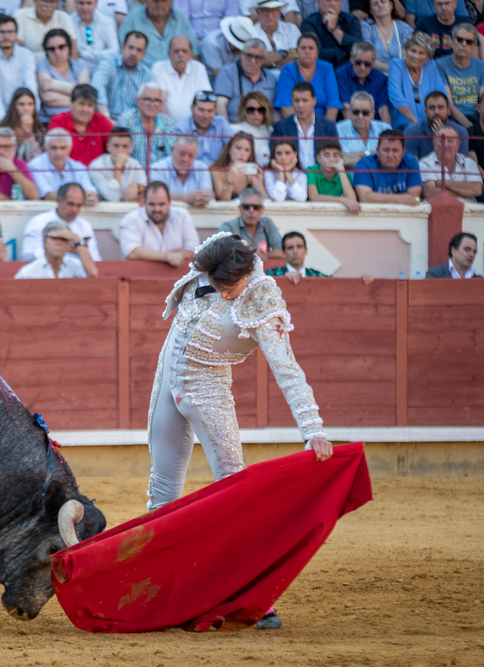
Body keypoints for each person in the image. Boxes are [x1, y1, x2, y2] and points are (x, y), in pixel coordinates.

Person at [145, 233, 332, 643]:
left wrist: (312, 427)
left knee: (233, 490)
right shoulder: (213, 261)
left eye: (227, 286)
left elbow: (287, 369)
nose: (219, 289)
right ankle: (153, 586)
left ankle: (254, 600)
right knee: (161, 490)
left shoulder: (262, 298)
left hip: (209, 391)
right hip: (167, 382)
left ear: (247, 274)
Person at [118, 180, 199, 264]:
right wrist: (168, 257)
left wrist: (148, 255)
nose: (157, 209)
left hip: (179, 275)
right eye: (152, 204)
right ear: (144, 203)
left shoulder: (182, 216)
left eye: (161, 204)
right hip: (141, 275)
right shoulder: (131, 219)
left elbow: (194, 250)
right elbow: (131, 253)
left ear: (169, 202)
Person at [0, 14, 38, 127]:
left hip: (23, 114)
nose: (6, 36)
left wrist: (28, 115)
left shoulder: (26, 55)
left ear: (16, 34)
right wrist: (4, 120)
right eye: (2, 32)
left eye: (10, 32)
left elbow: (31, 87)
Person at [20, 181, 101, 260]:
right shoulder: (38, 222)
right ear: (59, 200)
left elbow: (95, 259)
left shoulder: (85, 225)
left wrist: (80, 249)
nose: (74, 210)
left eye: (79, 205)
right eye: (70, 204)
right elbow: (26, 257)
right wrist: (52, 250)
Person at [271, 81, 340, 172]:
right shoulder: (281, 127)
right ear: (292, 102)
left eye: (305, 100)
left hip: (320, 179)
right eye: (297, 101)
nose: (301, 105)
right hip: (291, 178)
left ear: (314, 101)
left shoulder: (329, 126)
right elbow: (274, 157)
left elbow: (335, 157)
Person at [435, 23, 484, 127]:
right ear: (452, 42)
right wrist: (470, 128)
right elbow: (449, 104)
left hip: (478, 117)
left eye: (469, 42)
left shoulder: (482, 66)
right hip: (451, 117)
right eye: (460, 39)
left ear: (474, 46)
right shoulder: (439, 65)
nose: (464, 44)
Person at [90, 31, 154, 119]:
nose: (133, 53)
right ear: (123, 48)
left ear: (144, 54)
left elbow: (149, 105)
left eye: (139, 50)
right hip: (104, 119)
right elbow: (97, 89)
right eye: (131, 47)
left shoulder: (148, 76)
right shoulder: (108, 64)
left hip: (132, 125)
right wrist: (107, 119)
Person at [275, 33, 342, 119]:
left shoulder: (327, 68)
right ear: (297, 51)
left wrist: (326, 129)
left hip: (322, 124)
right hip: (295, 124)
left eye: (311, 48)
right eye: (303, 48)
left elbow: (333, 104)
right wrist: (301, 129)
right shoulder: (287, 70)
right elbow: (285, 105)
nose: (307, 52)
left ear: (317, 52)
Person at [388, 31, 446, 128]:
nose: (416, 56)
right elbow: (396, 96)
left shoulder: (430, 66)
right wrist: (417, 124)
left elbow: (442, 94)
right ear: (406, 51)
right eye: (413, 51)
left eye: (421, 53)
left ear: (427, 57)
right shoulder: (396, 65)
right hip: (403, 126)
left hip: (430, 124)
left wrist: (436, 120)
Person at [118, 0, 198, 70]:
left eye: (164, 0)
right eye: (155, 1)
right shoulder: (133, 17)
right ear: (146, 1)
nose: (159, 4)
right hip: (143, 75)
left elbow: (194, 53)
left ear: (171, 1)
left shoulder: (181, 18)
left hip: (177, 76)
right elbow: (123, 52)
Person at [47, 84, 114, 165]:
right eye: (81, 104)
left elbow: (117, 143)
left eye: (90, 105)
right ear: (71, 103)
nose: (85, 109)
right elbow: (54, 152)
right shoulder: (58, 121)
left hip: (96, 174)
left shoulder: (101, 120)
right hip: (67, 173)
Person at [119, 81, 176, 177]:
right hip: (133, 179)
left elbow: (173, 157)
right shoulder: (126, 121)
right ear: (138, 101)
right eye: (148, 99)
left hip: (162, 180)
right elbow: (121, 156)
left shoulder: (168, 123)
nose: (152, 104)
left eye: (157, 100)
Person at [27, 127, 100, 201]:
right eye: (53, 148)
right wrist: (80, 198)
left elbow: (91, 192)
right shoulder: (34, 166)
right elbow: (47, 195)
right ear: (46, 148)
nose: (58, 153)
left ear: (70, 148)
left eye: (63, 148)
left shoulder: (79, 167)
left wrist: (91, 197)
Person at [352, 127, 423, 203]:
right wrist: (399, 199)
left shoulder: (411, 162)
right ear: (377, 151)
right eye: (386, 150)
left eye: (395, 150)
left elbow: (414, 198)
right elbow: (364, 197)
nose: (390, 156)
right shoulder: (365, 164)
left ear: (403, 152)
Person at [214, 39, 276, 123]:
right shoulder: (228, 72)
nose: (253, 61)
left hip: (264, 129)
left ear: (264, 60)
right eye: (249, 56)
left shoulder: (271, 78)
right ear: (241, 55)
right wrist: (227, 132)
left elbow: (276, 110)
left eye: (258, 57)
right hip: (236, 127)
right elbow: (220, 103)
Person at [36, 28, 90, 123]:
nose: (57, 52)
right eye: (51, 49)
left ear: (69, 48)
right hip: (50, 121)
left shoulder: (80, 65)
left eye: (61, 47)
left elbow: (85, 94)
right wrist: (80, 101)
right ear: (46, 51)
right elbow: (48, 98)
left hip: (78, 121)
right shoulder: (41, 65)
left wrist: (52, 84)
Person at [153, 35, 211, 123]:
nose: (181, 54)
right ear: (169, 54)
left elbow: (205, 99)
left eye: (184, 51)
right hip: (167, 126)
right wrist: (170, 127)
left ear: (191, 54)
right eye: (176, 51)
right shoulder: (159, 68)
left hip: (195, 126)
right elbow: (161, 101)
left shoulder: (199, 68)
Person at [14, 218, 98, 278]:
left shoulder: (75, 266)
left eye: (63, 239)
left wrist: (77, 240)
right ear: (44, 242)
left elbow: (92, 274)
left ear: (69, 244)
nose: (58, 243)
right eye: (54, 238)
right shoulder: (29, 272)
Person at [419, 125, 483, 201]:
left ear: (458, 145)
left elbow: (477, 189)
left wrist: (443, 183)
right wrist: (466, 189)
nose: (445, 145)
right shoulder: (425, 163)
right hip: (439, 210)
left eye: (450, 141)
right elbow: (430, 193)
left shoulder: (469, 163)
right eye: (441, 140)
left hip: (468, 211)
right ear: (434, 144)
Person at [218, 188, 285, 259]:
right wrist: (252, 255)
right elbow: (217, 252)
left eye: (256, 207)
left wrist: (262, 256)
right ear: (240, 208)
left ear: (262, 209)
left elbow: (282, 251)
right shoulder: (229, 227)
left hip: (263, 269)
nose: (251, 211)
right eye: (246, 207)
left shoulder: (267, 223)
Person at [403, 90, 469, 159]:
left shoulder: (461, 132)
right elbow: (413, 166)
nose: (436, 112)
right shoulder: (412, 132)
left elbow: (460, 165)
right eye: (432, 108)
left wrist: (443, 136)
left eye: (441, 107)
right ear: (426, 112)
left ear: (448, 111)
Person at [337, 41, 391, 123]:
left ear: (373, 62)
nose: (362, 67)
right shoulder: (341, 75)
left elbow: (383, 109)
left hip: (374, 125)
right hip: (350, 125)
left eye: (367, 64)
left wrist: (387, 133)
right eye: (358, 62)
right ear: (351, 58)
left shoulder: (381, 78)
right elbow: (346, 108)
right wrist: (358, 132)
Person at [152, 135, 214, 206]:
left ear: (196, 156)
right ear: (172, 150)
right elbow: (156, 194)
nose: (185, 159)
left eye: (190, 155)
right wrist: (186, 198)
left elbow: (208, 192)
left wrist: (206, 196)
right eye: (182, 154)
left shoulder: (201, 168)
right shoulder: (157, 168)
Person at [89, 126, 147, 201]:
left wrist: (137, 186)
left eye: (125, 146)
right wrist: (118, 167)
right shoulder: (96, 167)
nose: (120, 151)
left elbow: (146, 187)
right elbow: (113, 197)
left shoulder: (135, 164)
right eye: (116, 146)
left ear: (130, 148)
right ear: (108, 147)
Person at [174, 91, 233, 164]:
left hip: (218, 170)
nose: (205, 116)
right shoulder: (181, 128)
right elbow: (179, 159)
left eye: (210, 111)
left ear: (215, 110)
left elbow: (234, 146)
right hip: (192, 171)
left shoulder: (221, 122)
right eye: (201, 110)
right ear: (192, 108)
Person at [300, 0, 363, 66]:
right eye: (328, 0)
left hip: (351, 69)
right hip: (324, 70)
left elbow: (359, 49)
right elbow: (318, 54)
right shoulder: (309, 23)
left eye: (336, 0)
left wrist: (334, 29)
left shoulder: (351, 20)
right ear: (319, 3)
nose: (333, 4)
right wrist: (345, 52)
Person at [337, 89, 392, 165]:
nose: (360, 117)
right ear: (350, 111)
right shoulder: (339, 129)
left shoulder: (385, 129)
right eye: (356, 112)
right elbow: (343, 160)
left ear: (373, 113)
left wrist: (356, 156)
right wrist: (372, 153)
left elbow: (388, 158)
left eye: (365, 113)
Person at [306, 139, 362, 212]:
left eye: (335, 156)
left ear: (341, 159)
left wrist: (341, 171)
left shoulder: (344, 175)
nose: (331, 160)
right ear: (318, 159)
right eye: (326, 155)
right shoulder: (311, 170)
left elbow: (351, 201)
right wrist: (343, 200)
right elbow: (313, 197)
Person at [210, 133, 267, 201]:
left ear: (250, 154)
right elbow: (223, 202)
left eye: (247, 150)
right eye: (238, 148)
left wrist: (259, 186)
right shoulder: (217, 171)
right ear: (229, 149)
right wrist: (229, 181)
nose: (242, 153)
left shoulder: (253, 173)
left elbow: (266, 203)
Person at [360, 0, 413, 73]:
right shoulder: (366, 27)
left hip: (400, 77)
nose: (380, 5)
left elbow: (407, 58)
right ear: (371, 10)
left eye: (383, 1)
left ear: (391, 5)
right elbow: (367, 58)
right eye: (375, 4)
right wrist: (393, 69)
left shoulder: (404, 28)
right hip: (376, 77)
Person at [265, 230, 335, 282]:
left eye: (299, 247)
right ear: (283, 253)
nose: (295, 251)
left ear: (306, 250)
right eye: (290, 248)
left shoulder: (317, 276)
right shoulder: (270, 275)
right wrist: (283, 278)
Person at [70, 0, 120, 72]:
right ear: (75, 3)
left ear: (96, 3)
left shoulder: (107, 21)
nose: (85, 8)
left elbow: (115, 52)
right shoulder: (69, 20)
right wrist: (103, 53)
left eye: (89, 3)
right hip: (77, 70)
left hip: (102, 69)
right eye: (81, 3)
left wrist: (82, 54)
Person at [249, 0, 300, 70]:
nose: (270, 16)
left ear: (279, 11)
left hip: (289, 76)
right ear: (258, 12)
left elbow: (297, 56)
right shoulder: (251, 32)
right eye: (265, 11)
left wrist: (271, 64)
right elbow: (256, 59)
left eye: (273, 10)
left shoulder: (291, 29)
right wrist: (285, 53)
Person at [0, 87, 45, 162]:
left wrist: (28, 133)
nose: (26, 109)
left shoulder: (40, 130)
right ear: (14, 106)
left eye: (30, 104)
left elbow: (39, 160)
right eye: (21, 104)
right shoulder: (3, 128)